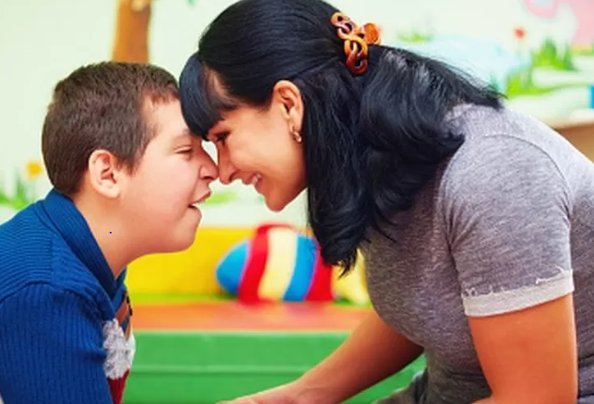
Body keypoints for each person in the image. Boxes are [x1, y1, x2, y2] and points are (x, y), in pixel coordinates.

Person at [178, 0, 594, 403]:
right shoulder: (376, 155)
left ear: (289, 104)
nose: (223, 170)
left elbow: (538, 397)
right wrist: (296, 398)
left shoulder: (492, 170)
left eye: (222, 138)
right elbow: (430, 305)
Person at [0, 62, 217, 404]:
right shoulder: (45, 287)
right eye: (186, 151)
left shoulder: (81, 259)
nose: (212, 169)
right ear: (108, 174)